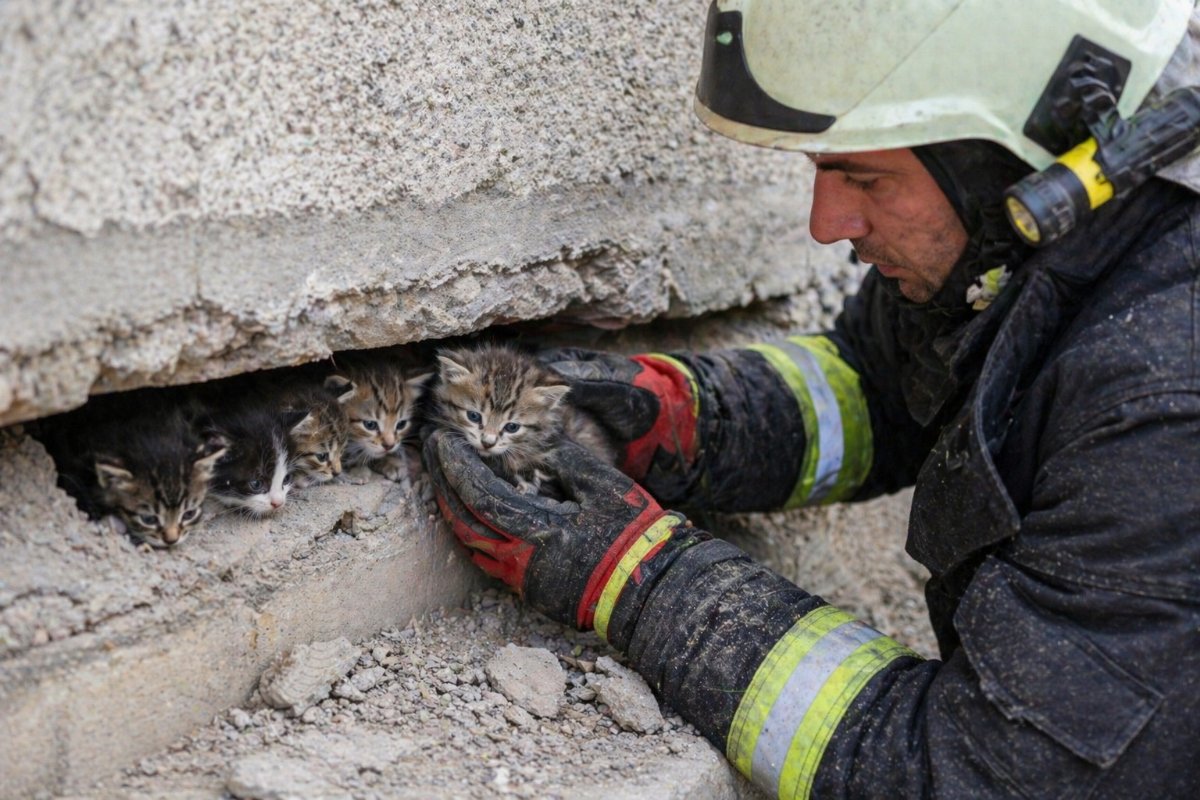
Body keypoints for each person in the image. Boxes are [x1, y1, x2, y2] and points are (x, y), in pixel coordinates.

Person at [424, 2, 1200, 797]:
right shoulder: (1030, 246)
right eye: (821, 170)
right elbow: (884, 382)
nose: (827, 223)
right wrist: (692, 421)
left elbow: (987, 776)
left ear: (1013, 162)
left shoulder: (1165, 398)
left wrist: (643, 584)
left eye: (865, 177)